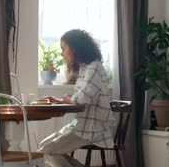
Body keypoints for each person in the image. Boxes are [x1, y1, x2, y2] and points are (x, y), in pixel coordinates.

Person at [38, 29, 116, 167]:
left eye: (63, 49)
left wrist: (66, 100)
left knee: (45, 151)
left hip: (92, 129)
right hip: (81, 124)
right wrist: (67, 99)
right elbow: (83, 96)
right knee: (43, 147)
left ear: (74, 48)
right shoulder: (85, 68)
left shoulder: (94, 67)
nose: (62, 53)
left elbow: (82, 98)